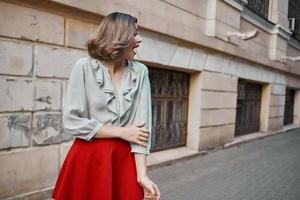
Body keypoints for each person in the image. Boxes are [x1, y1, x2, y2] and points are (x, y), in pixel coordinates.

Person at [52, 12, 160, 200]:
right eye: (134, 34)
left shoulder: (140, 71)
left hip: (122, 161)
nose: (139, 39)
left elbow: (142, 130)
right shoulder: (84, 67)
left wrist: (142, 175)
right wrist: (122, 132)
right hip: (87, 157)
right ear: (119, 37)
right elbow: (72, 122)